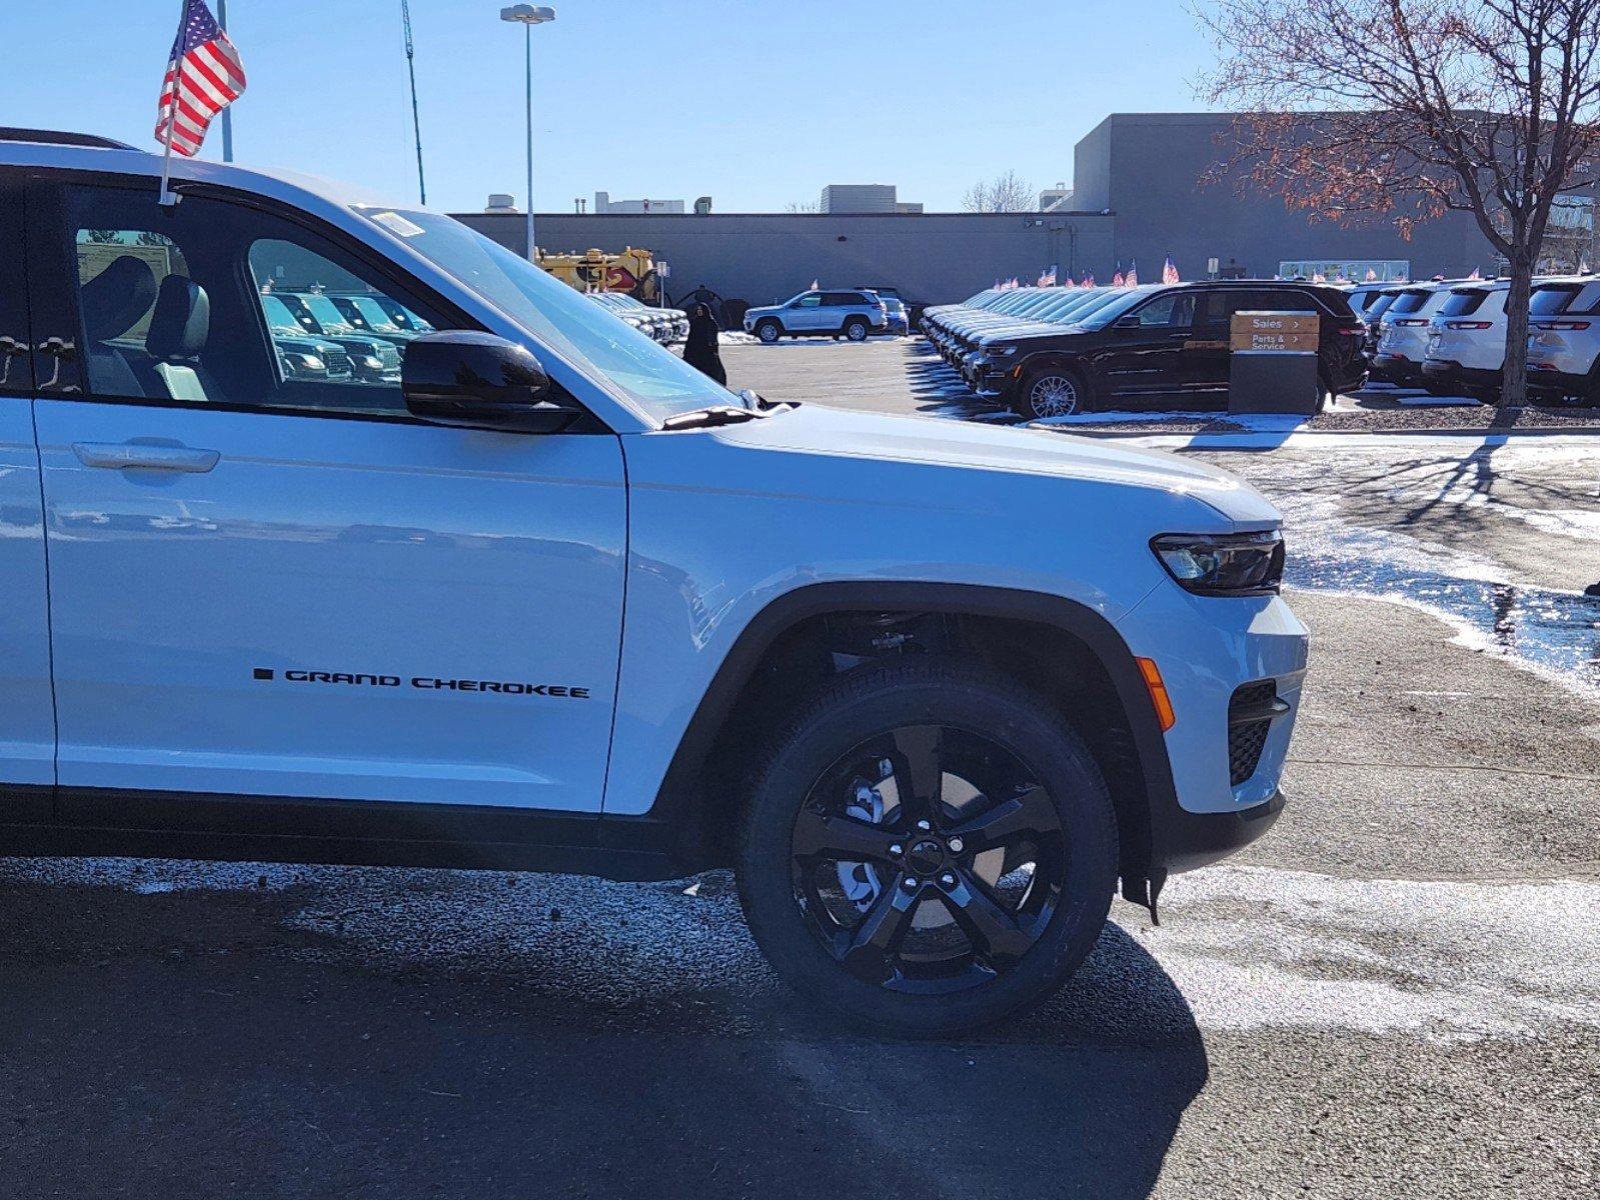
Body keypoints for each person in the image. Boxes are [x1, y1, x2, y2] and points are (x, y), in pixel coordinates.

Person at [681, 302, 727, 385]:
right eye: (698, 310)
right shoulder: (694, 322)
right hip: (694, 350)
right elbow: (691, 337)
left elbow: (713, 338)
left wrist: (712, 347)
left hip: (707, 351)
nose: (699, 311)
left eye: (701, 310)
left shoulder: (711, 322)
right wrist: (687, 350)